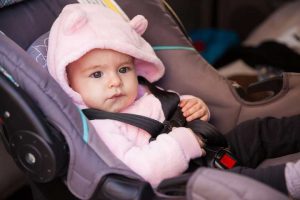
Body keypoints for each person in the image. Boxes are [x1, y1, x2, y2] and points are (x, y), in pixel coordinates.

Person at [47, 3, 300, 198]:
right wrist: (189, 139)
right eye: (97, 74)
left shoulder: (142, 92)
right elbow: (144, 170)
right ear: (70, 84)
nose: (115, 81)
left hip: (210, 149)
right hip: (181, 182)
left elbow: (172, 105)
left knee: (255, 131)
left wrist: (194, 107)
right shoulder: (100, 126)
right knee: (237, 182)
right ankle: (289, 179)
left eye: (124, 69)